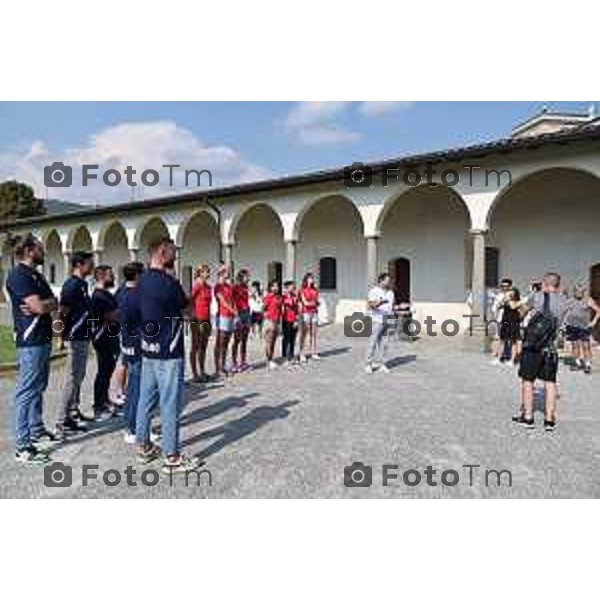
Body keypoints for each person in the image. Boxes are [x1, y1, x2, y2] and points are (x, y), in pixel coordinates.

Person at [136, 236, 199, 472]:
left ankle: (143, 447)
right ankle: (171, 457)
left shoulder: (141, 281)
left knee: (146, 400)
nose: (176, 254)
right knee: (169, 403)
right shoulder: (168, 283)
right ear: (162, 252)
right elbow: (189, 312)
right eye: (173, 251)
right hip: (169, 351)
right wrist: (180, 285)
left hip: (148, 349)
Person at [6, 235, 57, 463]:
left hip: (43, 337)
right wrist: (44, 305)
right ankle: (23, 446)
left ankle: (36, 430)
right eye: (40, 248)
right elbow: (37, 305)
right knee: (27, 390)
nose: (43, 251)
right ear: (28, 250)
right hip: (30, 340)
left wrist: (45, 305)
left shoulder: (36, 275)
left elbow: (52, 301)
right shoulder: (18, 275)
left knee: (39, 385)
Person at [514, 272, 567, 432]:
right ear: (557, 285)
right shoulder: (564, 302)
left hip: (532, 346)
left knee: (528, 380)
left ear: (544, 283)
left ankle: (528, 417)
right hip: (550, 348)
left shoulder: (535, 296)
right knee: (550, 383)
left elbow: (520, 314)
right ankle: (549, 420)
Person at [56, 251, 95, 439]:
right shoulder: (71, 285)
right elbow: (62, 313)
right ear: (79, 265)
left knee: (79, 376)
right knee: (72, 378)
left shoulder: (83, 284)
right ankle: (62, 421)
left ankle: (73, 411)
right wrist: (59, 337)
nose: (92, 266)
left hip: (84, 336)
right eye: (89, 263)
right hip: (75, 336)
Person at [115, 262, 149, 443]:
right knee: (137, 387)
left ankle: (135, 425)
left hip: (127, 341)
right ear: (137, 275)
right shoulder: (136, 295)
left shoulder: (120, 292)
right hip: (136, 343)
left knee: (134, 386)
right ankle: (133, 428)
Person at [91, 265, 120, 420]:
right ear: (101, 277)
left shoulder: (106, 294)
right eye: (110, 275)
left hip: (111, 336)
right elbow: (111, 316)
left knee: (108, 371)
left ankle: (105, 400)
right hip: (102, 338)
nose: (114, 277)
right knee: (103, 372)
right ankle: (98, 405)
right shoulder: (98, 296)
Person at [563, 286, 600, 374]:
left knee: (586, 346)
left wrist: (594, 322)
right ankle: (577, 363)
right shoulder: (570, 300)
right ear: (574, 292)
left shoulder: (588, 300)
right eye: (577, 291)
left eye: (581, 291)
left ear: (584, 292)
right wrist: (564, 322)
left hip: (584, 327)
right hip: (572, 326)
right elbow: (565, 311)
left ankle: (587, 365)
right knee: (575, 346)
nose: (579, 293)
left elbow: (598, 310)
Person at [365, 272, 397, 374]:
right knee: (373, 342)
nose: (389, 282)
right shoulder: (374, 291)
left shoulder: (391, 293)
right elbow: (370, 305)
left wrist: (400, 308)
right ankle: (368, 364)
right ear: (381, 281)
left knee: (385, 344)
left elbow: (391, 308)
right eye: (387, 280)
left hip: (387, 320)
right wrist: (380, 302)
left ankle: (383, 364)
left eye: (389, 280)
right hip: (377, 320)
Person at [190, 264, 213, 382]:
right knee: (195, 346)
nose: (208, 274)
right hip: (196, 319)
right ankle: (195, 374)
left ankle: (202, 371)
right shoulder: (196, 286)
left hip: (206, 318)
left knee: (204, 346)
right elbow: (190, 301)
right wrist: (191, 316)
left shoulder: (208, 287)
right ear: (200, 273)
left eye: (208, 271)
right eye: (206, 272)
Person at [213, 265, 236, 379]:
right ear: (221, 274)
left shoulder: (228, 286)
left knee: (226, 342)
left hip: (230, 316)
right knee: (220, 342)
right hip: (222, 316)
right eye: (226, 271)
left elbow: (232, 300)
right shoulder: (218, 286)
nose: (228, 273)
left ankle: (223, 365)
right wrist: (233, 311)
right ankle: (217, 367)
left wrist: (234, 311)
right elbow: (222, 301)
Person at [231, 268, 251, 372]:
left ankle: (243, 361)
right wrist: (236, 315)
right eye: (247, 276)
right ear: (241, 277)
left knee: (244, 339)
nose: (248, 278)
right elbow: (232, 301)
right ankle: (234, 363)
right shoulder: (235, 287)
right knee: (237, 339)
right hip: (239, 313)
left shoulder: (246, 287)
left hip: (246, 312)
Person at [490, 278, 513, 365]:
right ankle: (498, 357)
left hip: (510, 320)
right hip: (500, 319)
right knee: (499, 338)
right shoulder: (499, 296)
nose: (504, 288)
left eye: (506, 286)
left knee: (509, 339)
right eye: (502, 286)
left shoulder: (513, 296)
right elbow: (494, 308)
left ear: (510, 286)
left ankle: (508, 356)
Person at [498, 287, 523, 366]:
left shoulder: (517, 301)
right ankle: (499, 358)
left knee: (513, 341)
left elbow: (513, 306)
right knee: (502, 340)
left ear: (515, 293)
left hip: (513, 323)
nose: (508, 293)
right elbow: (498, 306)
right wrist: (503, 300)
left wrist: (508, 299)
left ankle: (512, 360)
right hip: (505, 321)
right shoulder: (506, 301)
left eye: (510, 292)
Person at [299, 272, 320, 362]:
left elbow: (317, 301)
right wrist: (313, 303)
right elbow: (305, 303)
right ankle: (302, 353)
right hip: (306, 313)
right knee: (304, 333)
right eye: (310, 278)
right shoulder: (302, 290)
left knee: (314, 333)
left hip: (314, 312)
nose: (312, 280)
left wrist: (314, 303)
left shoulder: (315, 290)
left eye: (313, 278)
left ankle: (314, 352)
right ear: (306, 279)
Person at [263, 279, 283, 370]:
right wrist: (266, 315)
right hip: (270, 321)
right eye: (274, 286)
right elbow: (263, 308)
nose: (276, 288)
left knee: (273, 342)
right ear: (270, 287)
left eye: (277, 286)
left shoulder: (278, 297)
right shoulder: (269, 296)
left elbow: (280, 309)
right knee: (269, 342)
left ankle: (271, 359)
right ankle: (269, 360)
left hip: (277, 321)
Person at [281, 280, 300, 365]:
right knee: (286, 338)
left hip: (293, 320)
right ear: (287, 287)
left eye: (294, 286)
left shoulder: (295, 296)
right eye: (292, 286)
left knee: (293, 338)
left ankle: (291, 355)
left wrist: (296, 320)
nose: (293, 288)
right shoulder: (283, 297)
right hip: (286, 320)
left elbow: (297, 309)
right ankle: (285, 356)